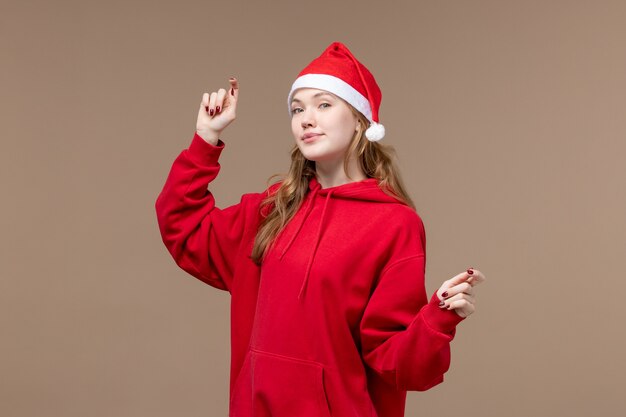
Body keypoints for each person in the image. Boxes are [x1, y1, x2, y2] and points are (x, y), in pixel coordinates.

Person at [155, 41, 486, 417]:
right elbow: (182, 225)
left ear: (360, 119)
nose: (306, 118)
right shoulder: (271, 210)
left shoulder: (394, 224)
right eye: (298, 109)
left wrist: (437, 317)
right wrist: (205, 139)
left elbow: (400, 365)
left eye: (323, 104)